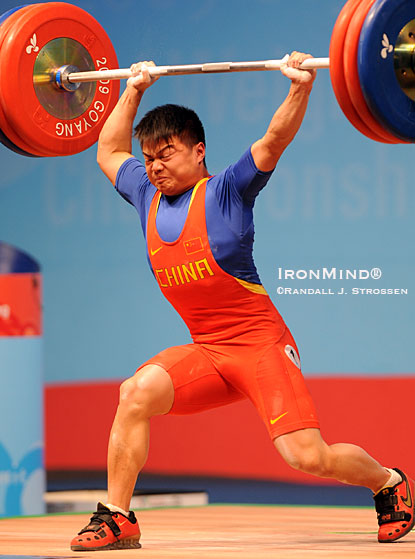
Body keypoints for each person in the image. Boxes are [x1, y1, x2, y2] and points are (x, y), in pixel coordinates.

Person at [70, 53, 414, 551]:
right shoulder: (145, 195)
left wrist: (299, 87)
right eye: (148, 158)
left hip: (261, 348)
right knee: (135, 393)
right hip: (208, 352)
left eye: (165, 153)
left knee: (306, 457)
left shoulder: (228, 192)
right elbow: (107, 150)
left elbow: (273, 141)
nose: (155, 166)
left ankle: (387, 481)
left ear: (198, 151)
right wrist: (134, 87)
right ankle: (118, 517)